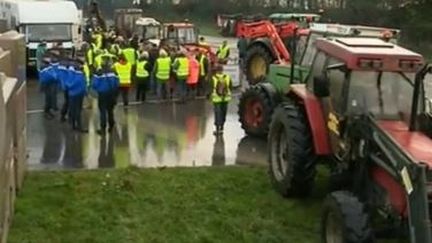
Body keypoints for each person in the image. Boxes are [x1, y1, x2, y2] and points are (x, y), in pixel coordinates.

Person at [92, 56, 119, 136]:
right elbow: (117, 82)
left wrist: (98, 89)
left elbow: (94, 84)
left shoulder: (99, 72)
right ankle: (111, 126)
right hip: (111, 93)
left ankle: (103, 128)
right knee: (110, 110)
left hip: (102, 94)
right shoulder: (114, 72)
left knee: (102, 111)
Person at [65, 60, 88, 133]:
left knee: (74, 109)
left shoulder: (71, 74)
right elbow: (83, 84)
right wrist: (85, 92)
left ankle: (73, 125)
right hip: (78, 94)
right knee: (77, 110)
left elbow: (68, 83)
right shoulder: (80, 75)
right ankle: (78, 126)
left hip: (73, 94)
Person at [210, 65, 232, 136]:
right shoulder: (227, 77)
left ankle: (217, 129)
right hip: (226, 98)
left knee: (217, 113)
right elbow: (230, 87)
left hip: (217, 99)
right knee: (223, 112)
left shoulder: (213, 78)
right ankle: (222, 126)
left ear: (216, 70)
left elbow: (210, 88)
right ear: (222, 70)